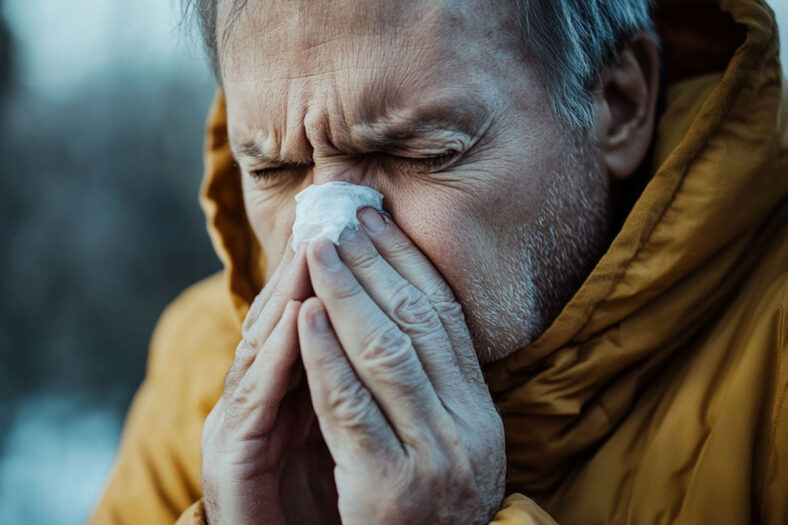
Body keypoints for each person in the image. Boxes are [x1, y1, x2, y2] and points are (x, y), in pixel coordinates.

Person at [91, 0, 788, 522]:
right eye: (276, 168)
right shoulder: (200, 374)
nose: (324, 243)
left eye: (422, 154)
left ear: (618, 103)